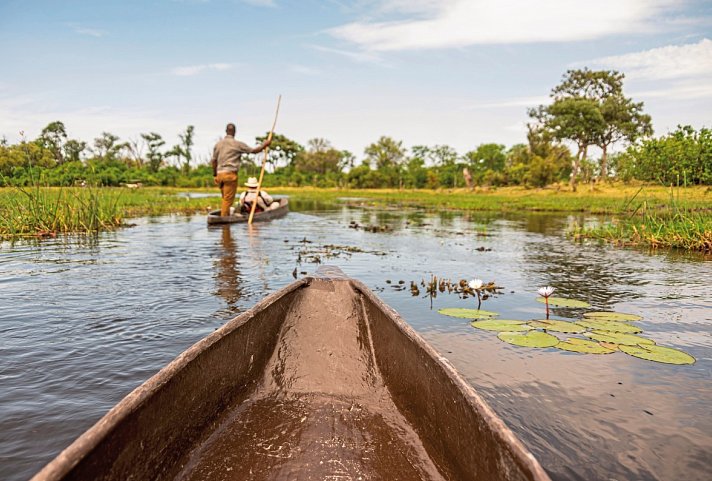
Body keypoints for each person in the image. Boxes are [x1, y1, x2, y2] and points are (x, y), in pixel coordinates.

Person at [212, 123, 271, 216]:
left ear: (226, 131)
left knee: (224, 199)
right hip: (229, 175)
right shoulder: (237, 144)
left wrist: (215, 175)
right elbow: (254, 151)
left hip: (219, 175)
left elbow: (214, 161)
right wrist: (264, 144)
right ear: (234, 132)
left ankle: (224, 219)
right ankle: (224, 225)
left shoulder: (218, 144)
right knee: (227, 201)